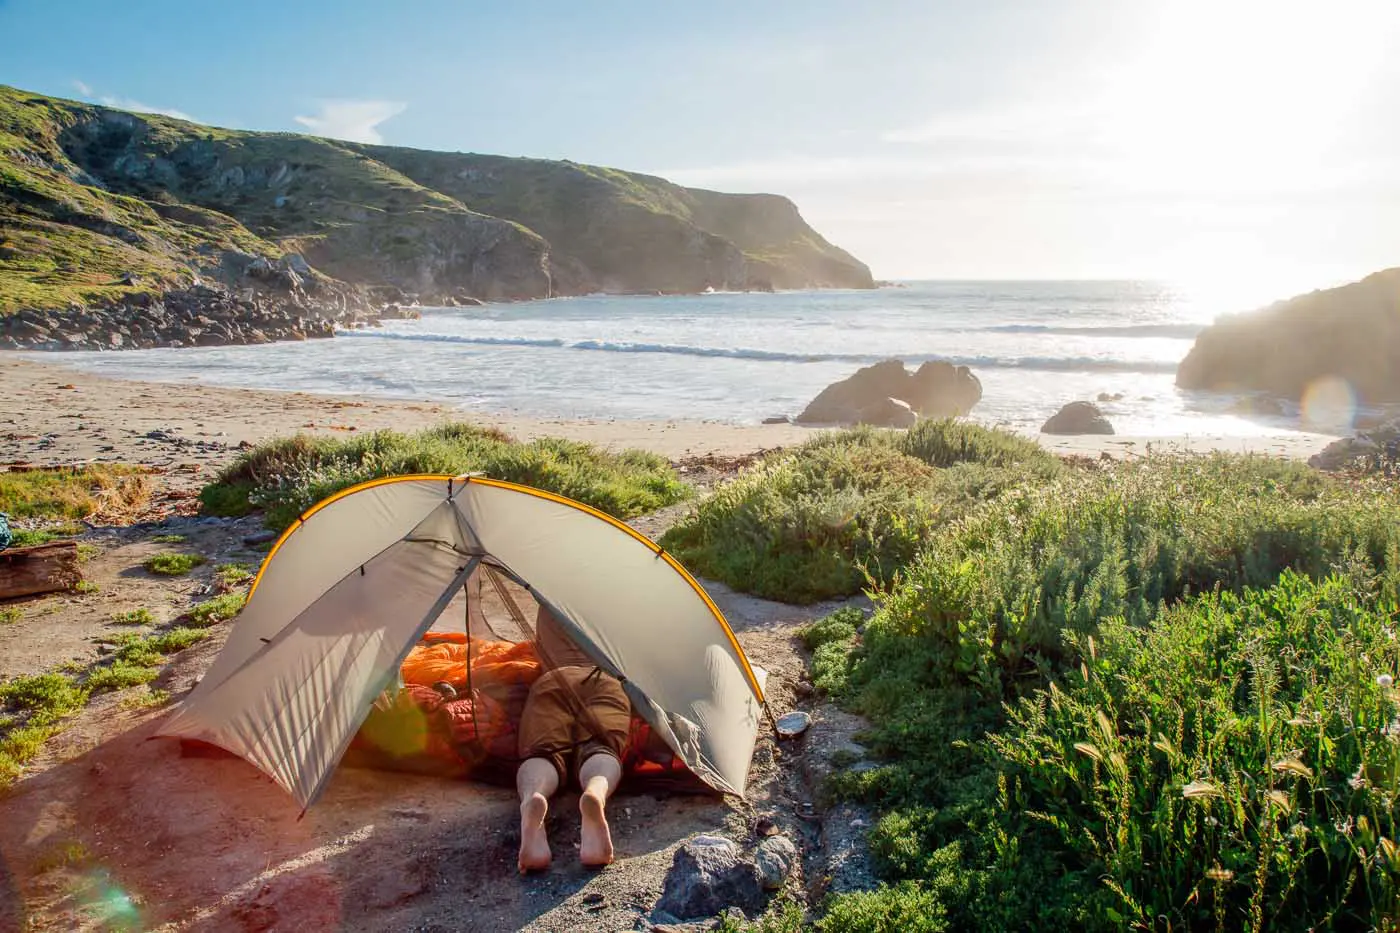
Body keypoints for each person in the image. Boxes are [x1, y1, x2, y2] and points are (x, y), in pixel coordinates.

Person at [516, 606, 631, 872]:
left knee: (543, 752)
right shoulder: (618, 603)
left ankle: (533, 798)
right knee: (601, 747)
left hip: (553, 680)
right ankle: (595, 793)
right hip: (605, 681)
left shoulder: (548, 604)